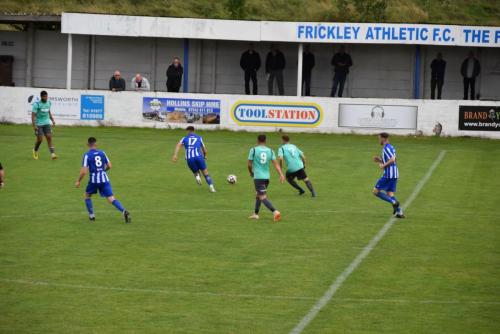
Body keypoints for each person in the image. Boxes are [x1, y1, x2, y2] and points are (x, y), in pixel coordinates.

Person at [75, 137, 131, 223]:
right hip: (105, 179)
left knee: (87, 196)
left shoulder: (87, 155)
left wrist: (78, 180)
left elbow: (84, 172)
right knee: (111, 199)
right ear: (96, 144)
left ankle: (91, 216)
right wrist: (102, 171)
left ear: (87, 145)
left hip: (94, 180)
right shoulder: (102, 153)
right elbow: (109, 166)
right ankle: (124, 211)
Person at [247, 134, 285, 222]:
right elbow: (276, 164)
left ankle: (275, 212)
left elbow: (249, 164)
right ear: (265, 141)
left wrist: (251, 172)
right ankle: (255, 214)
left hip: (258, 177)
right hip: (266, 178)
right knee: (258, 195)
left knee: (262, 196)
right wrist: (281, 174)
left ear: (257, 141)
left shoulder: (253, 150)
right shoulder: (270, 151)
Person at [172, 126, 216, 193]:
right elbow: (204, 150)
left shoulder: (184, 138)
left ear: (188, 131)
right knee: (206, 173)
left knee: (196, 172)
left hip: (189, 158)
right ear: (194, 131)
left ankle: (197, 177)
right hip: (199, 157)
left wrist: (175, 155)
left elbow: (178, 145)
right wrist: (205, 156)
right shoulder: (199, 138)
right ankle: (212, 188)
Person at [372, 133, 404, 218]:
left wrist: (383, 165)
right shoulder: (391, 147)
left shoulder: (386, 148)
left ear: (383, 139)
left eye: (379, 139)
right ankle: (400, 212)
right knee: (390, 193)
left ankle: (393, 202)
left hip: (389, 174)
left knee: (375, 191)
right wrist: (380, 160)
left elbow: (393, 159)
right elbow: (393, 158)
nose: (379, 140)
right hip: (394, 174)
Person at [31, 90, 57, 160]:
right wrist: (34, 126)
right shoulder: (37, 104)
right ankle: (35, 150)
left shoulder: (49, 103)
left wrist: (52, 120)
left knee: (49, 137)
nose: (46, 98)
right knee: (40, 139)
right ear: (41, 97)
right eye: (44, 96)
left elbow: (49, 112)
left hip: (46, 123)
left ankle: (52, 154)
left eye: (46, 96)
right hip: (38, 124)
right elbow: (33, 115)